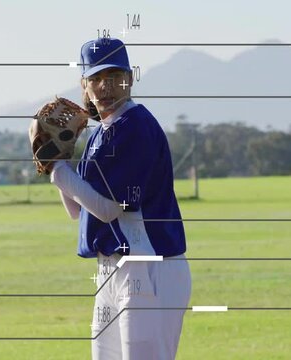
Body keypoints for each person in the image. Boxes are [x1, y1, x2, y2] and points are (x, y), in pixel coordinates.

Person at [48, 37, 191, 359]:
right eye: (96, 78)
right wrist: (58, 157)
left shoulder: (135, 125)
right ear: (83, 84)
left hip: (148, 266)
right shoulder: (101, 130)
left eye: (114, 77)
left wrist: (54, 166)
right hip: (111, 269)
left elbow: (109, 209)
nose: (105, 86)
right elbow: (77, 209)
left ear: (130, 78)